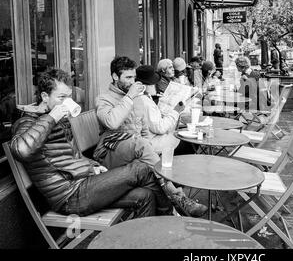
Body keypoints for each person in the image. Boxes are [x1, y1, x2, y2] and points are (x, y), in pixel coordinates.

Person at [10, 68, 161, 218]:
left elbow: (74, 156)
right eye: (61, 97)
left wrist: (93, 166)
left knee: (145, 196)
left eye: (69, 97)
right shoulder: (27, 121)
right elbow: (22, 150)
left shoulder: (59, 121)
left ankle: (146, 239)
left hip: (83, 184)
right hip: (69, 197)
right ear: (44, 96)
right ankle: (172, 214)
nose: (66, 103)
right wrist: (51, 118)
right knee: (141, 168)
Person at [94, 56, 207, 217]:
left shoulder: (138, 99)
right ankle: (178, 198)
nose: (132, 81)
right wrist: (129, 97)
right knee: (144, 148)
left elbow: (144, 130)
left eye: (134, 77)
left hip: (136, 148)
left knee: (149, 165)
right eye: (128, 77)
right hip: (110, 151)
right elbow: (111, 122)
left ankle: (169, 211)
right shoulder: (104, 99)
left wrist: (148, 148)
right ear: (114, 76)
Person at [134, 65, 181, 154]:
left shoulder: (141, 97)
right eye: (154, 83)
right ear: (146, 85)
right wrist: (176, 111)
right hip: (152, 143)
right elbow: (160, 128)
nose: (156, 86)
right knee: (184, 139)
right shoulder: (145, 102)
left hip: (148, 139)